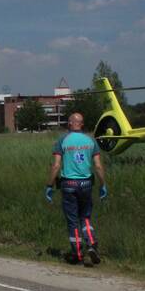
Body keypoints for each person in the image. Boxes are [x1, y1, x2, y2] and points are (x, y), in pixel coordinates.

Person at [45, 112, 106, 267]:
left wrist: (49, 186)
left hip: (69, 185)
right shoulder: (91, 141)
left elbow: (56, 165)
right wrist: (102, 185)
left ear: (70, 124)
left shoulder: (62, 141)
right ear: (82, 124)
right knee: (85, 218)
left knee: (73, 221)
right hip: (86, 184)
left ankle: (77, 254)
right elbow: (98, 166)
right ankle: (91, 244)